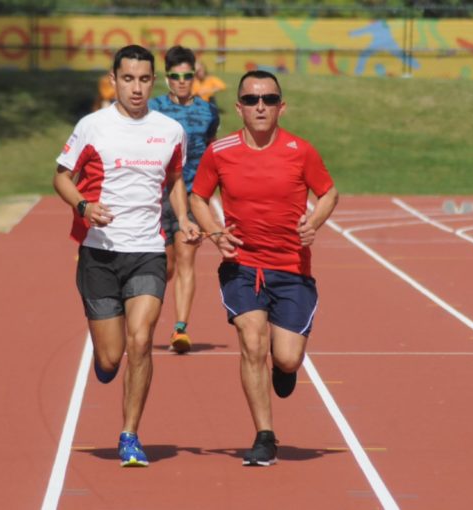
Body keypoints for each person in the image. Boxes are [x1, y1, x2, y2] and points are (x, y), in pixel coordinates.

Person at [53, 45, 198, 467]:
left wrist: (185, 218)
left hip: (148, 251)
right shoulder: (92, 126)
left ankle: (130, 434)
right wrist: (83, 206)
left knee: (141, 341)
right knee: (110, 356)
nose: (136, 88)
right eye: (128, 78)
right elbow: (62, 177)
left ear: (154, 81)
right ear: (113, 80)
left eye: (144, 79)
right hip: (99, 254)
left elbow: (174, 179)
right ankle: (104, 358)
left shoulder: (170, 130)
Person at [190, 70, 338, 467]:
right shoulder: (220, 151)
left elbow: (328, 192)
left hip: (292, 268)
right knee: (252, 342)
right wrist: (215, 233)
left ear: (281, 106)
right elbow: (198, 197)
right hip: (242, 266)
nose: (260, 106)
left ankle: (285, 368)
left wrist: (314, 222)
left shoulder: (300, 150)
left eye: (269, 99)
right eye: (252, 99)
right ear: (238, 107)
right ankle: (264, 436)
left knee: (286, 359)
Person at [148, 46, 220, 353]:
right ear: (167, 78)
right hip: (155, 196)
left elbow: (213, 151)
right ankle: (144, 320)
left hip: (191, 196)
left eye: (187, 76)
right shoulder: (152, 109)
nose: (181, 81)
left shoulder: (208, 112)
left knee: (187, 260)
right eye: (175, 76)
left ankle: (180, 329)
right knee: (164, 267)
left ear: (195, 76)